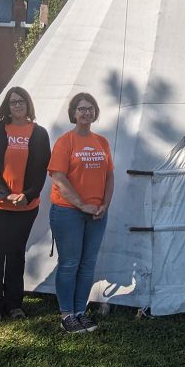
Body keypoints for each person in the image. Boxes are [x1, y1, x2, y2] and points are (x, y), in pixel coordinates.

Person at [0, 87, 50, 322]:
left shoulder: (39, 133)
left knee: (17, 253)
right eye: (13, 102)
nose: (18, 106)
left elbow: (41, 170)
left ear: (29, 104)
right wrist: (5, 194)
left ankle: (14, 303)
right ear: (7, 106)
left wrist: (27, 195)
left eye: (21, 101)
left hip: (25, 206)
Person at [49, 92, 114, 334]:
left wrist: (104, 204)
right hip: (68, 212)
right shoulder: (65, 142)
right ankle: (66, 314)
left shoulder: (102, 142)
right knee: (69, 263)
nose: (86, 112)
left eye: (90, 108)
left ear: (95, 112)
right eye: (81, 108)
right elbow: (58, 178)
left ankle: (80, 311)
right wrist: (81, 204)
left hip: (97, 213)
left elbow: (109, 176)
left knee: (88, 264)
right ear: (74, 113)